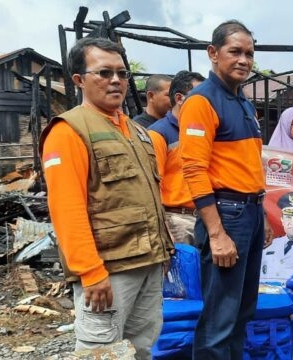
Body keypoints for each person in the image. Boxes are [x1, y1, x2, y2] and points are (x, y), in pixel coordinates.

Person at [40, 37, 173, 359]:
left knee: (141, 347)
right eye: (104, 72)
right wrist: (90, 272)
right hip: (108, 271)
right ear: (79, 80)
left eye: (122, 73)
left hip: (149, 262)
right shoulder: (69, 130)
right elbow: (66, 208)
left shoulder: (138, 132)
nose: (116, 80)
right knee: (100, 352)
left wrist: (164, 252)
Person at [179, 20, 265, 359]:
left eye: (249, 53)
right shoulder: (202, 101)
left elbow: (249, 166)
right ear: (213, 53)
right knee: (219, 319)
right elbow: (194, 170)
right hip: (227, 215)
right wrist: (216, 234)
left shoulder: (242, 101)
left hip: (251, 212)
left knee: (243, 311)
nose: (244, 60)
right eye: (235, 52)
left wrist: (264, 217)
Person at [147, 70, 206, 246]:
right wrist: (163, 228)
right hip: (177, 222)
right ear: (180, 98)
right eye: (199, 97)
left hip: (205, 219)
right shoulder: (158, 133)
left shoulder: (203, 130)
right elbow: (152, 185)